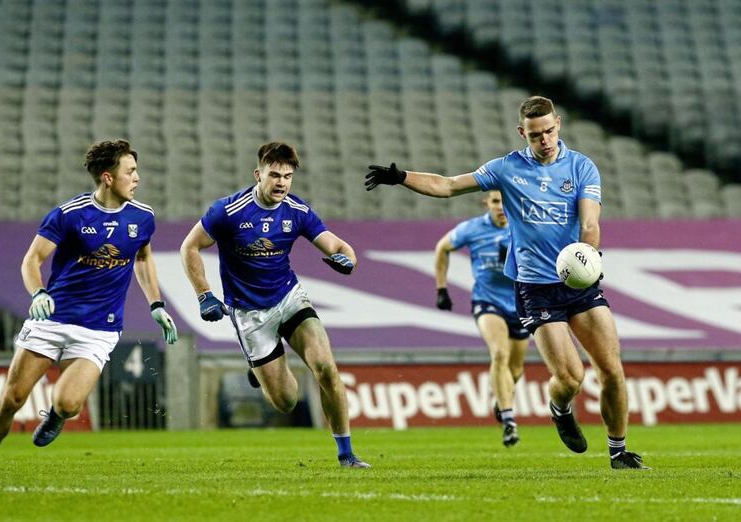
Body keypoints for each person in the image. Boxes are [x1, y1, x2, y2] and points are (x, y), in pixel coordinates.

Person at [365, 96, 648, 470]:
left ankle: (618, 451)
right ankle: (560, 408)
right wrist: (402, 178)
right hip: (535, 287)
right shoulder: (506, 168)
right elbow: (449, 185)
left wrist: (587, 258)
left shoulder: (582, 167)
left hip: (579, 281)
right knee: (570, 377)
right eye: (535, 135)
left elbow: (590, 223)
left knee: (611, 369)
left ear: (558, 124)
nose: (544, 139)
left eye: (549, 131)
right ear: (522, 133)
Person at [0, 139, 178, 480]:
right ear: (107, 177)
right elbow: (32, 259)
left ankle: (56, 416)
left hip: (99, 329)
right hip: (53, 320)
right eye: (130, 171)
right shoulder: (69, 215)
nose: (137, 178)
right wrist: (38, 293)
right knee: (13, 399)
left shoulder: (143, 217)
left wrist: (157, 304)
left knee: (69, 404)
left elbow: (143, 258)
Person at [180, 141, 369, 468]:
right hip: (250, 312)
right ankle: (258, 370)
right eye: (275, 175)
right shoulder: (228, 211)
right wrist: (204, 294)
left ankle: (347, 454)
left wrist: (347, 260)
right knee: (286, 401)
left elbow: (336, 244)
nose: (282, 182)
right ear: (258, 174)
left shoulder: (297, 211)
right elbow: (189, 247)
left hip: (289, 298)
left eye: (288, 176)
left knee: (326, 367)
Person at [434, 190, 530, 447]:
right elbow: (442, 247)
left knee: (517, 369)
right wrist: (441, 288)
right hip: (487, 301)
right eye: (496, 201)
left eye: (506, 201)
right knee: (499, 353)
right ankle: (510, 421)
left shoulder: (526, 227)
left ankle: (501, 400)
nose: (501, 207)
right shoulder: (472, 228)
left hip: (521, 304)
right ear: (486, 202)